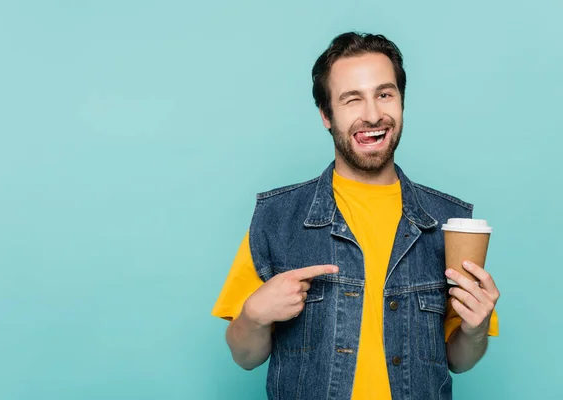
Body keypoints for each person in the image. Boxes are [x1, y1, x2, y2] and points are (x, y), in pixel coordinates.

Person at [211, 32, 499, 400]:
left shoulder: (451, 223)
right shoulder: (277, 219)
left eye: (384, 94)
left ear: (401, 101)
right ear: (326, 115)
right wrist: (254, 315)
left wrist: (475, 331)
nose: (373, 114)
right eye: (352, 100)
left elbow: (459, 360)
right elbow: (245, 357)